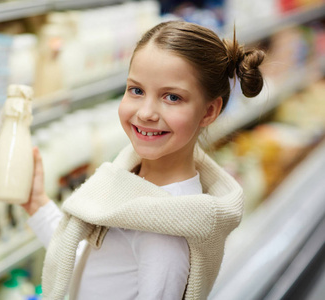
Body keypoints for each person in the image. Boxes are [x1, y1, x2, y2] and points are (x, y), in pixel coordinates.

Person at [23, 20, 265, 300]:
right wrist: (38, 204)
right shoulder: (131, 178)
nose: (146, 112)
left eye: (172, 97)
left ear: (209, 111)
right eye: (136, 90)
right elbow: (102, 274)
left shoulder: (165, 231)